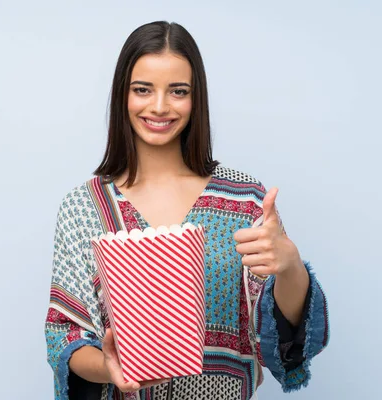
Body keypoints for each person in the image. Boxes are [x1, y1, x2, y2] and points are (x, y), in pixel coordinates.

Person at [45, 21, 329, 400]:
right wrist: (108, 368)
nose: (159, 106)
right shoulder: (84, 207)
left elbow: (284, 334)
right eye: (142, 89)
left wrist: (291, 265)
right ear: (122, 96)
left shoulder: (244, 198)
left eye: (178, 91)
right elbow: (65, 334)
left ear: (196, 99)